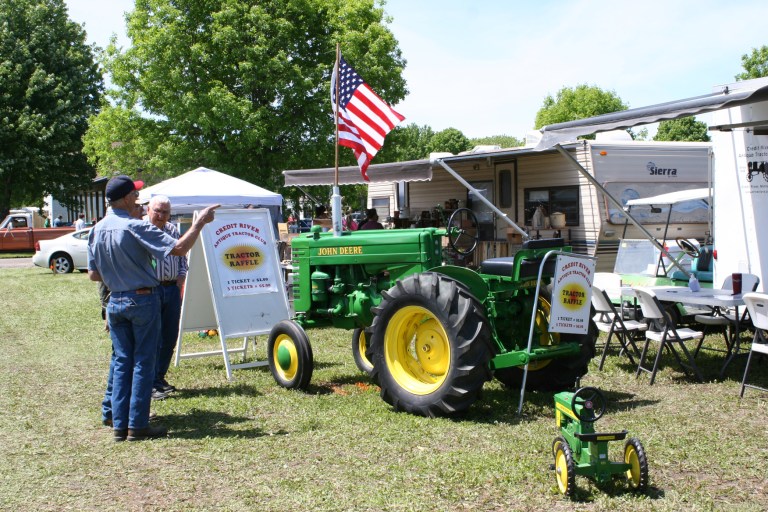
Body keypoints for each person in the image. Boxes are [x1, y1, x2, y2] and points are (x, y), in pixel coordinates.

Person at [88, 175, 218, 442]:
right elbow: (180, 249)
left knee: (122, 362)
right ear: (125, 199)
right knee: (144, 363)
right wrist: (199, 223)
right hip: (142, 300)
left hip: (116, 301)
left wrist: (120, 276)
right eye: (134, 195)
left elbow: (93, 274)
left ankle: (118, 425)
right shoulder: (135, 227)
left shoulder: (96, 229)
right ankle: (137, 426)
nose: (137, 199)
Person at [146, 195, 188, 400]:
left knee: (170, 335)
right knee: (152, 337)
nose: (161, 215)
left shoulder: (172, 230)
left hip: (171, 289)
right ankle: (151, 382)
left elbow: (182, 256)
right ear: (148, 210)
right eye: (158, 211)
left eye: (165, 212)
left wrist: (181, 277)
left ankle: (160, 377)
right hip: (151, 290)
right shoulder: (141, 230)